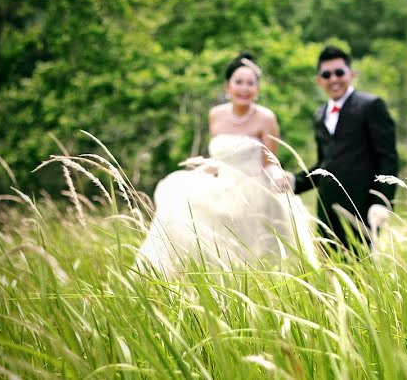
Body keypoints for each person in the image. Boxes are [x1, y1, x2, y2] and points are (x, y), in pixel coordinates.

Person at [136, 52, 317, 275]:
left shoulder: (266, 118)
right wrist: (206, 167)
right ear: (227, 87)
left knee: (261, 254)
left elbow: (270, 161)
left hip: (254, 191)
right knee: (176, 191)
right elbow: (221, 159)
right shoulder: (216, 115)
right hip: (223, 188)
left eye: (250, 83)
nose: (244, 88)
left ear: (257, 89)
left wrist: (279, 176)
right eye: (238, 82)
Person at [294, 45, 399, 255]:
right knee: (331, 278)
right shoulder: (319, 114)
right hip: (326, 210)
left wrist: (382, 202)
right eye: (326, 74)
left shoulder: (371, 106)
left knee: (363, 275)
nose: (333, 79)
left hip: (362, 209)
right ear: (319, 80)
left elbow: (388, 158)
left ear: (351, 74)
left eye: (339, 72)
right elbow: (324, 164)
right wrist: (295, 182)